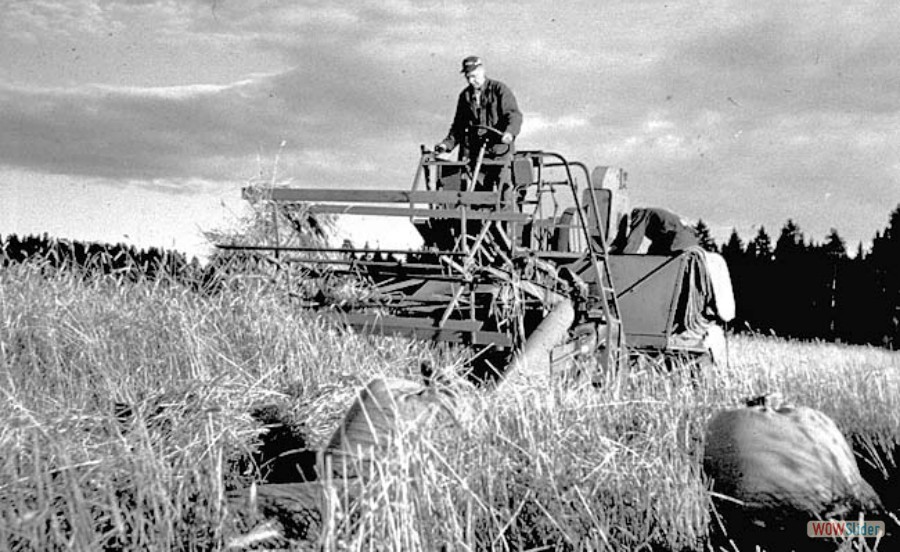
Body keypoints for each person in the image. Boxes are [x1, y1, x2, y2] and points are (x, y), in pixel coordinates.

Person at [434, 56, 523, 193]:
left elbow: (514, 114)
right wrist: (446, 145)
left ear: (482, 70)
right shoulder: (465, 96)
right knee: (477, 190)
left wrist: (509, 133)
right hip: (476, 153)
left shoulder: (499, 90)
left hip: (500, 150)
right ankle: (477, 214)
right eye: (468, 77)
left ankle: (506, 213)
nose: (471, 81)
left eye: (474, 76)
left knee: (504, 187)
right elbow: (458, 127)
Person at [609, 207, 700, 255]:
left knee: (653, 263)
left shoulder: (643, 214)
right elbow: (657, 243)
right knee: (652, 255)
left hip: (678, 240)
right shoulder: (656, 215)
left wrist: (623, 257)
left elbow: (636, 238)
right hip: (689, 241)